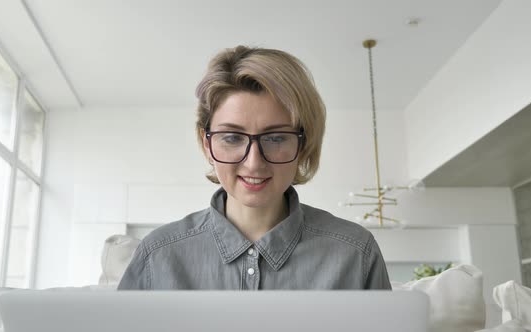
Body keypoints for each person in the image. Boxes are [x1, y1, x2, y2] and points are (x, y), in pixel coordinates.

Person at [118, 45, 391, 290]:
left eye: (275, 138)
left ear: (304, 144)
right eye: (233, 138)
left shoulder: (356, 254)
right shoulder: (157, 256)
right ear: (207, 144)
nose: (254, 162)